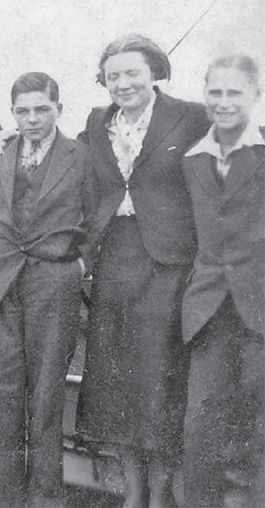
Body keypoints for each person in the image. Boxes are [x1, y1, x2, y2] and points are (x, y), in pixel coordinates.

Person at [75, 34, 210, 508]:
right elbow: (64, 156)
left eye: (132, 72)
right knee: (117, 382)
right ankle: (133, 487)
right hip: (114, 257)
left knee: (161, 378)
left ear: (154, 71)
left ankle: (161, 491)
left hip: (169, 262)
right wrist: (7, 137)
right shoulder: (96, 122)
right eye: (113, 76)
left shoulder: (191, 116)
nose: (123, 83)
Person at [0, 72, 97, 507]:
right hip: (0, 282)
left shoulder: (80, 156)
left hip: (53, 281)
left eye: (42, 109)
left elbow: (98, 217)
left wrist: (81, 263)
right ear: (13, 114)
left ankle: (45, 496)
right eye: (22, 110)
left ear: (59, 109)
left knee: (46, 393)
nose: (32, 118)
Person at [180, 54, 264, 508]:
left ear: (256, 95)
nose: (224, 102)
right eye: (216, 92)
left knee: (260, 426)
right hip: (210, 310)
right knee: (202, 425)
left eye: (235, 92)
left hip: (261, 307)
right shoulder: (193, 160)